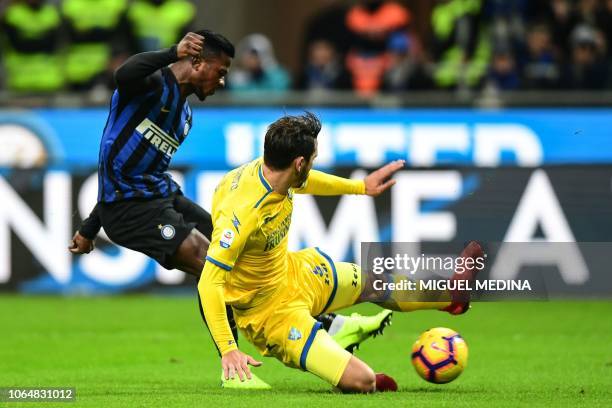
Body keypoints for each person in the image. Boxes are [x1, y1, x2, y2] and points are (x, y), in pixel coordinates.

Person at [69, 32, 392, 389]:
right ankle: (235, 368)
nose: (222, 80)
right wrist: (170, 52)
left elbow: (121, 166)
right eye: (219, 70)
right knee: (210, 264)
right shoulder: (149, 87)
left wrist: (87, 227)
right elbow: (123, 75)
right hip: (129, 212)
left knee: (229, 254)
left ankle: (328, 326)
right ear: (196, 62)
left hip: (159, 195)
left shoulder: (183, 116)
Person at [198, 112, 484, 392]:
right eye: (313, 159)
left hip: (295, 273)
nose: (314, 163)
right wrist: (228, 349)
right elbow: (208, 282)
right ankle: (351, 372)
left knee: (375, 284)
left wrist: (360, 187)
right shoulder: (243, 213)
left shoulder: (276, 172)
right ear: (300, 162)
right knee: (364, 381)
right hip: (271, 316)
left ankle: (451, 298)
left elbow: (306, 182)